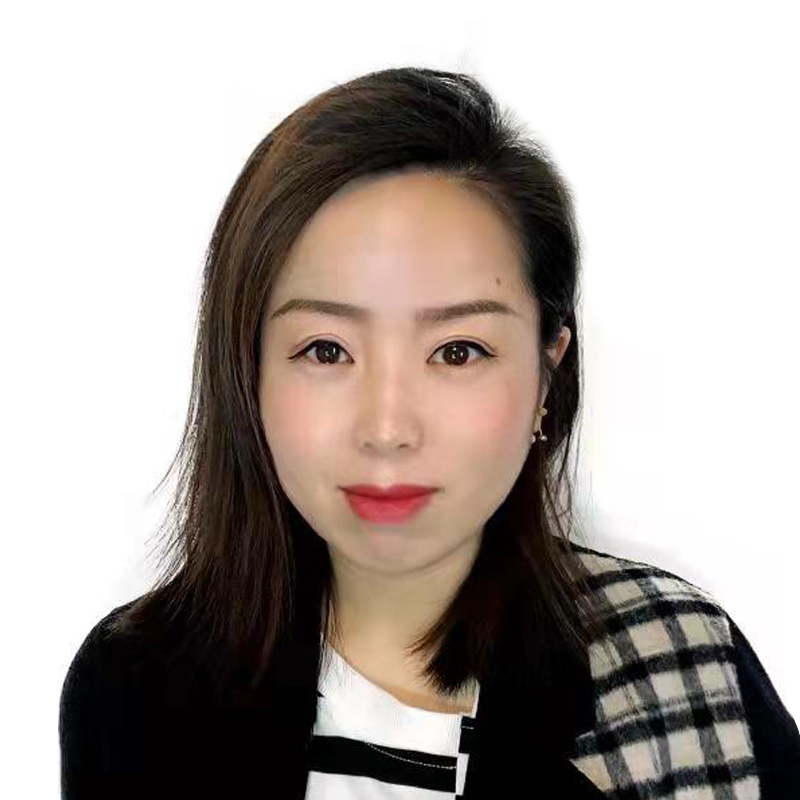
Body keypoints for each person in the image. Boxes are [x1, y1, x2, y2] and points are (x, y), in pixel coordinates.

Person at [59, 66, 800, 799]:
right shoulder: (133, 690)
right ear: (247, 373)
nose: (387, 429)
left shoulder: (677, 670)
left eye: (457, 352)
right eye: (327, 351)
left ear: (547, 372)